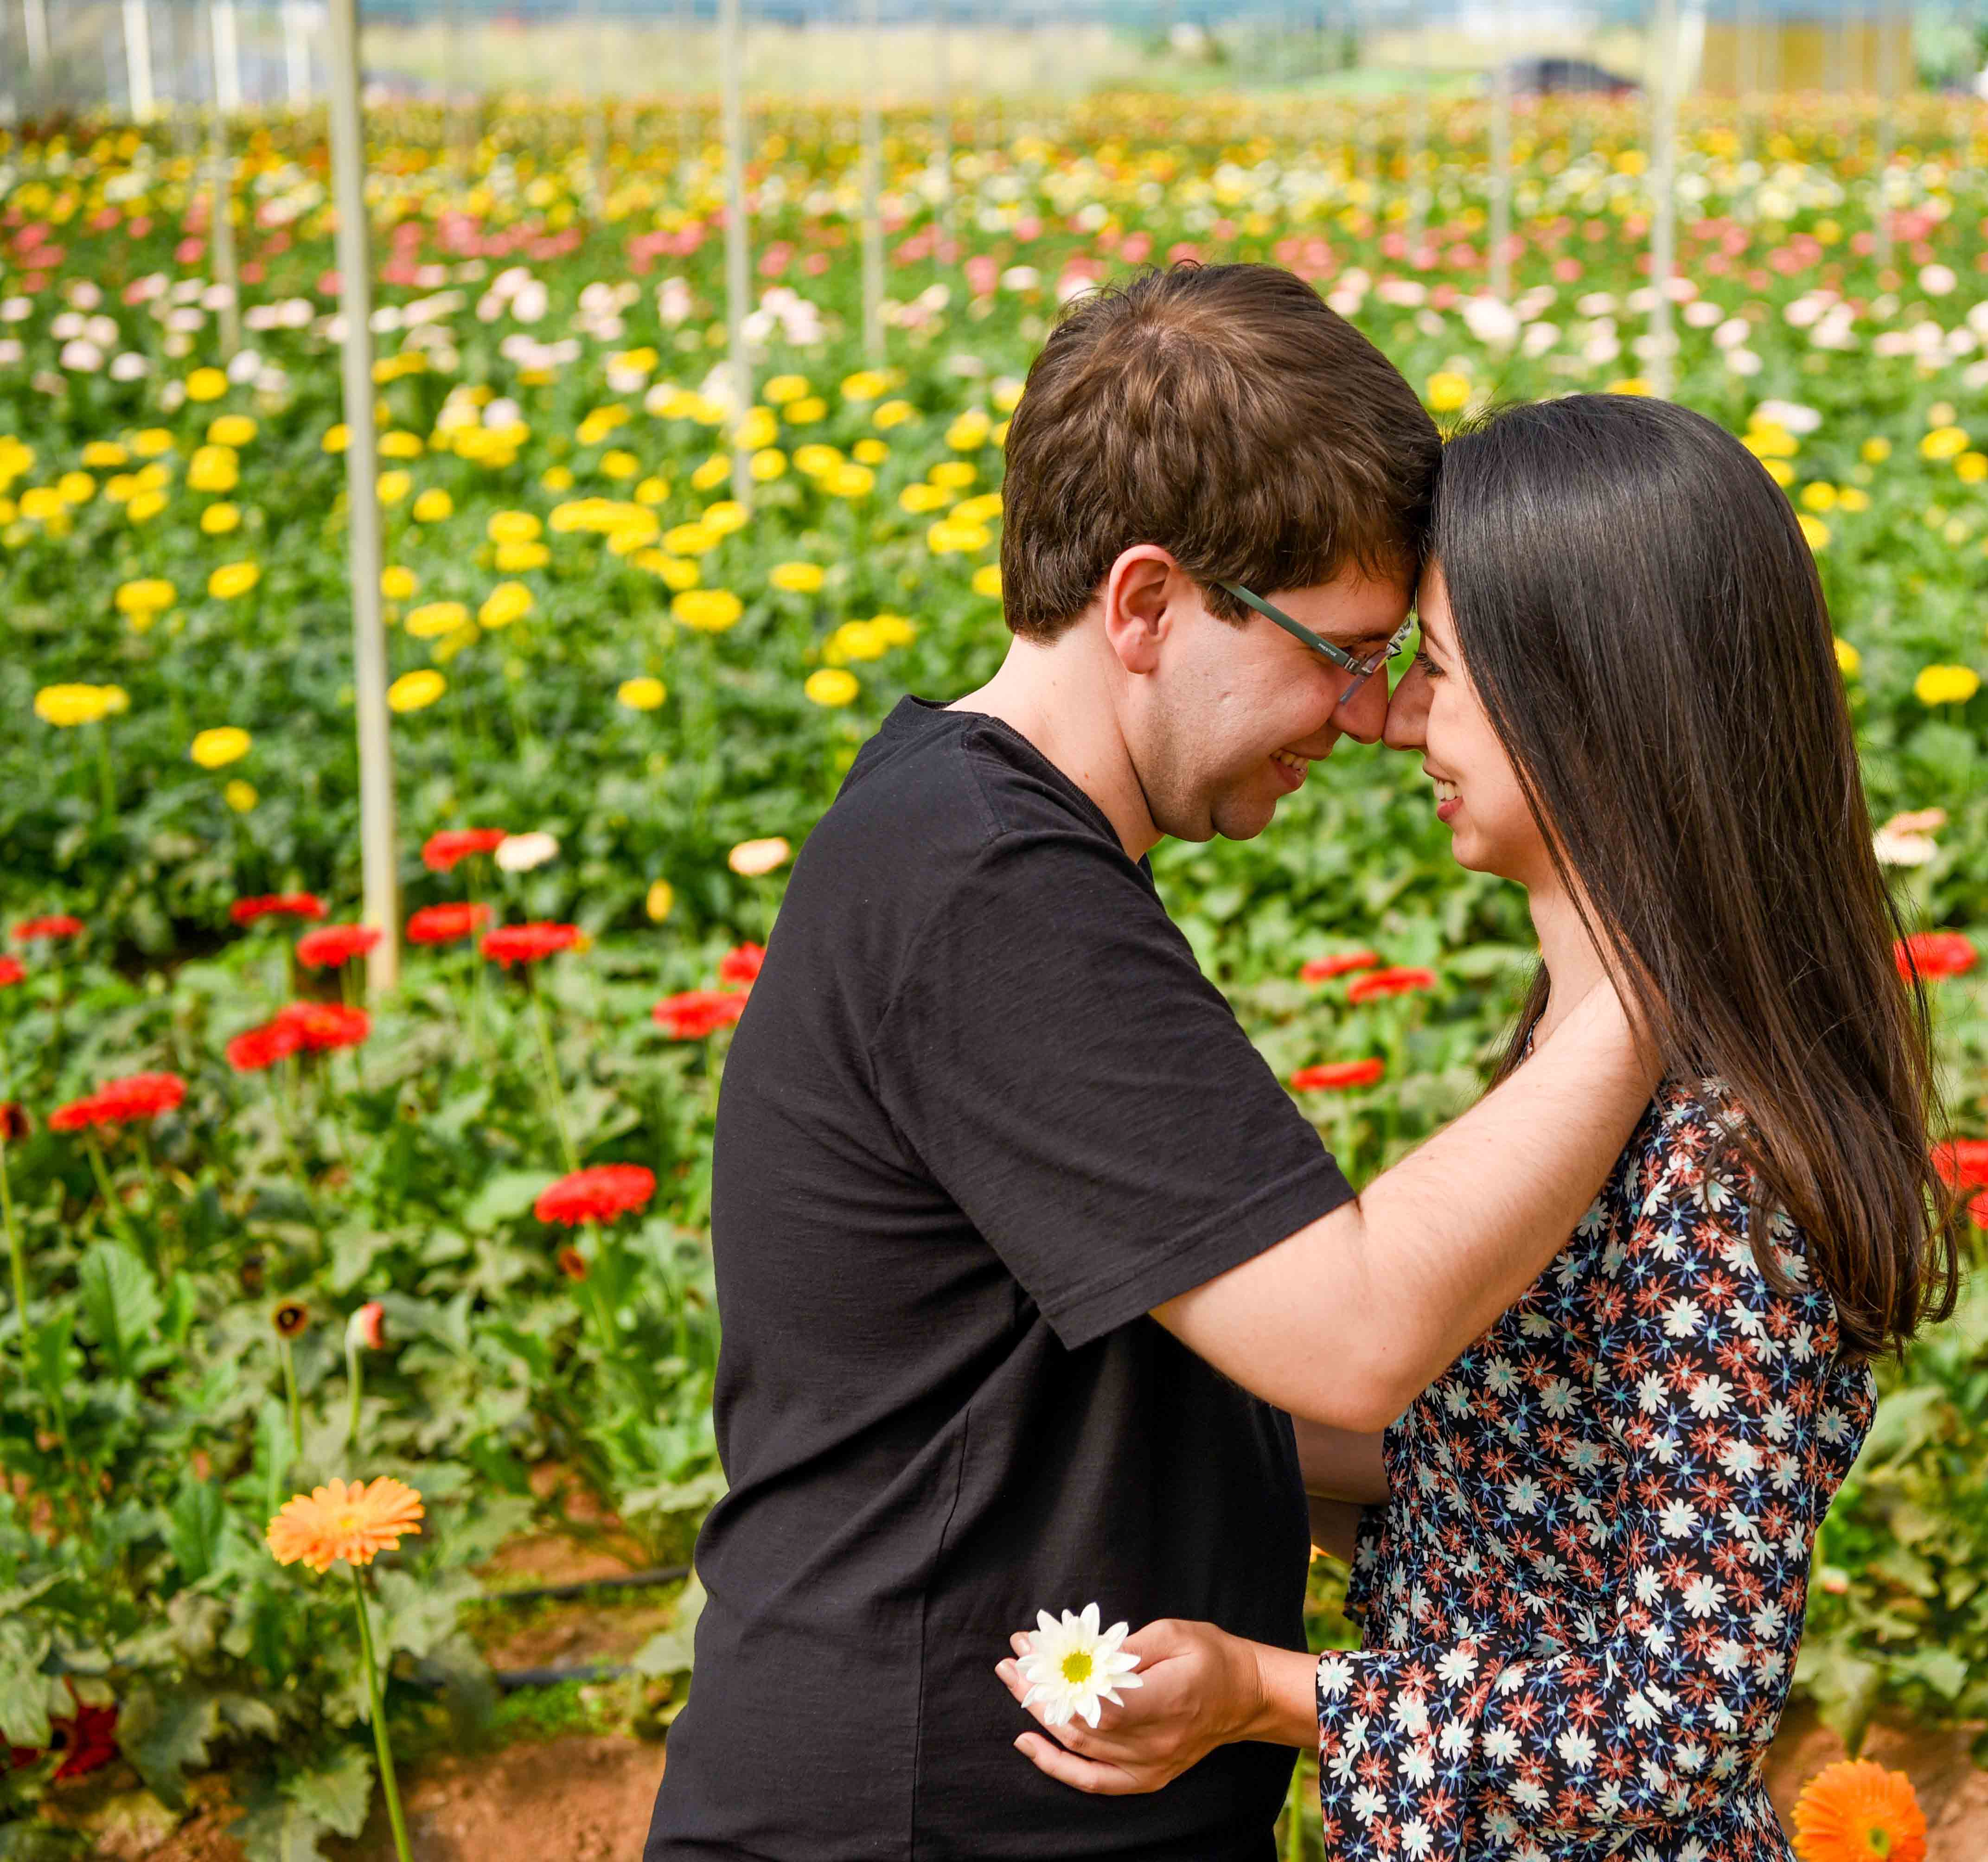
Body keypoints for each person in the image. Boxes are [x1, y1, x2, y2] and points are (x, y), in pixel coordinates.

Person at [643, 269, 1656, 1862]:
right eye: (1345, 650)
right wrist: (1655, 978)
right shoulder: (991, 893)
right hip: (923, 1822)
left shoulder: (978, 843)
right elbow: (1355, 1334)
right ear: (1143, 605)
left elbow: (1172, 1387)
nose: (1366, 718)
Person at [991, 393, 1960, 1859]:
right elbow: (1522, 1502)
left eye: (1435, 671)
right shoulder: (1594, 1081)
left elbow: (1686, 1712)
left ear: (1596, 706)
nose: (1384, 719)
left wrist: (1269, 1693)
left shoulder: (1717, 1162)